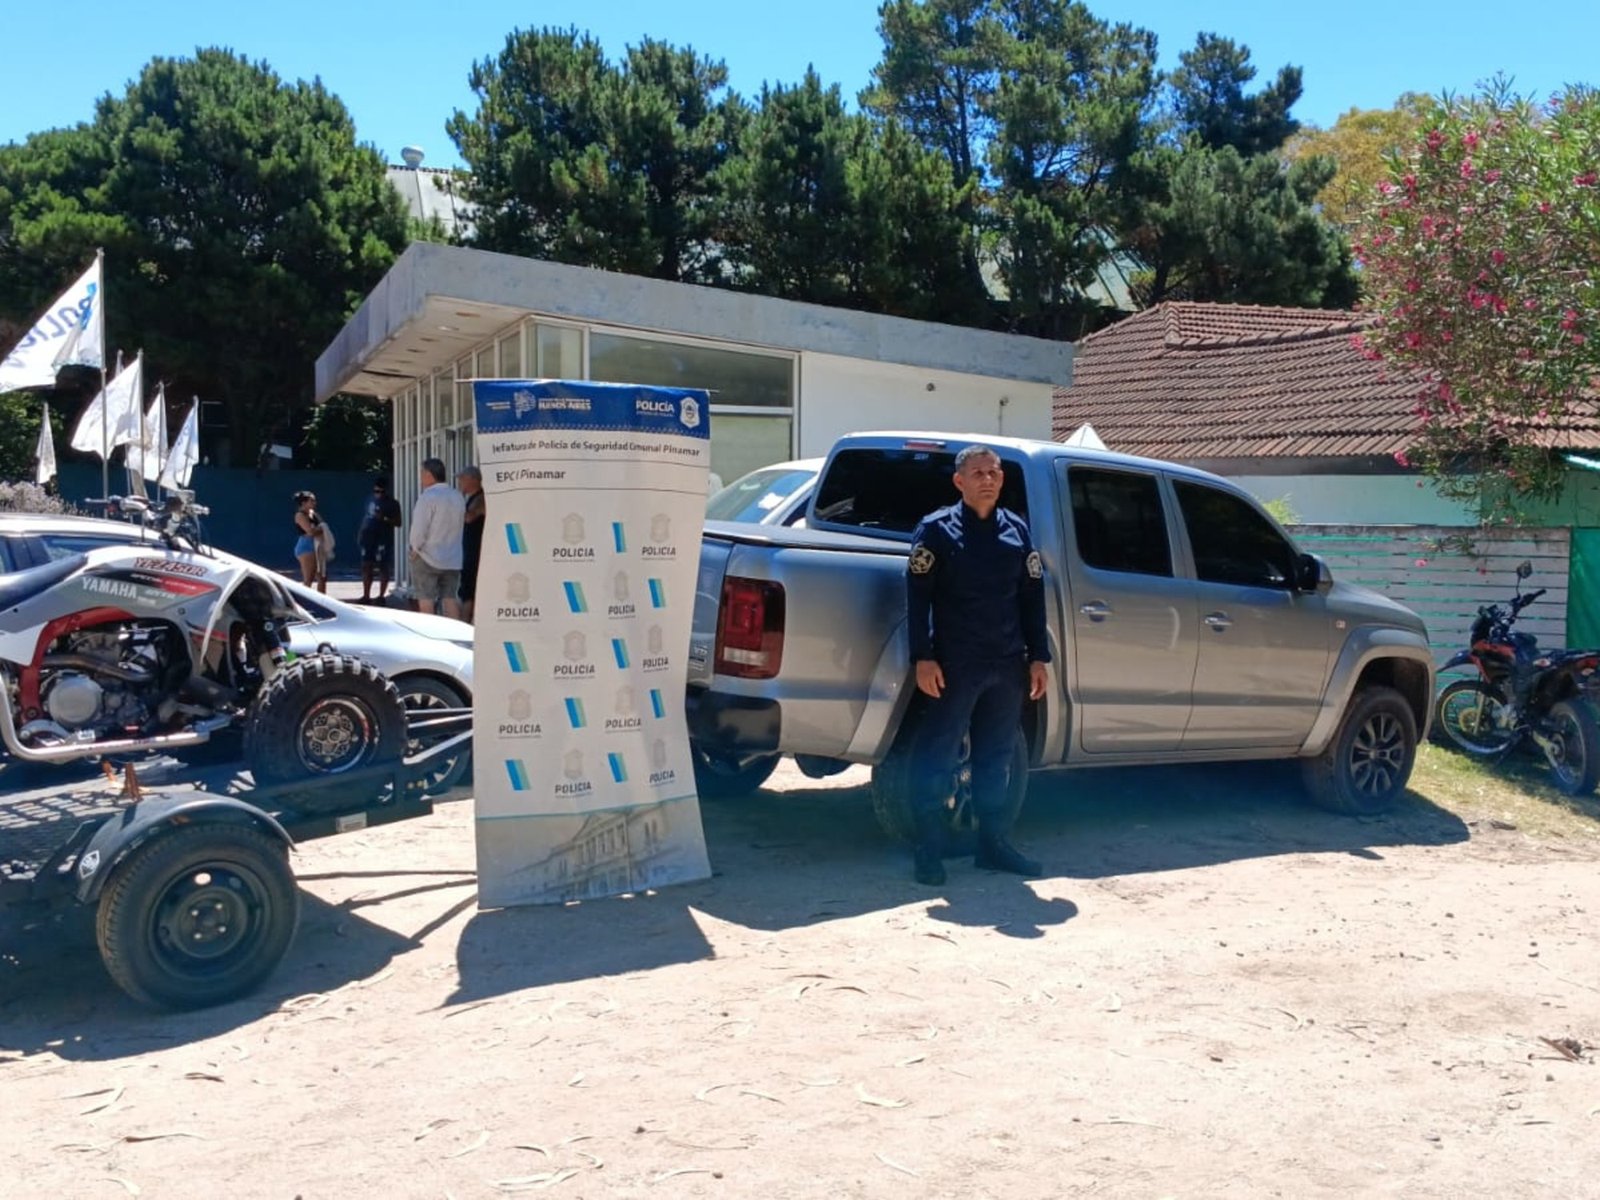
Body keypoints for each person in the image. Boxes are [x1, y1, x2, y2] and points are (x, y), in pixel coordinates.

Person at [904, 444, 1050, 887]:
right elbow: (917, 598)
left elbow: (1031, 595)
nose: (988, 479)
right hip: (956, 663)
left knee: (996, 757)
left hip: (1007, 664)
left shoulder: (1016, 529)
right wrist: (922, 657)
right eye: (979, 473)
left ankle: (993, 844)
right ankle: (928, 850)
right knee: (938, 753)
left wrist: (1039, 656)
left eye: (995, 472)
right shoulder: (936, 530)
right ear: (959, 481)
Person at [408, 457, 465, 617]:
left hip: (427, 556)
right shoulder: (457, 496)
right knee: (450, 598)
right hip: (453, 557)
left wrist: (415, 547)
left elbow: (419, 528)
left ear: (428, 474)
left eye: (421, 472)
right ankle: (456, 635)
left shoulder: (427, 497)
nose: (420, 476)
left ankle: (430, 635)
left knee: (426, 599)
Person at [358, 477, 403, 603]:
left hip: (383, 537)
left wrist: (384, 518)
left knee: (383, 566)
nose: (378, 494)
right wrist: (361, 533)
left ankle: (381, 596)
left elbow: (399, 522)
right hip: (368, 536)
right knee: (366, 565)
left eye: (381, 492)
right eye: (376, 491)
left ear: (386, 491)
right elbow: (366, 517)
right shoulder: (369, 500)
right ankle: (366, 595)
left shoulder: (393, 503)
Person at [457, 465, 485, 624]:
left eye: (462, 479)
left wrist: (458, 501)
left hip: (476, 551)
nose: (460, 483)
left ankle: (465, 622)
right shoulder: (471, 498)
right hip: (468, 549)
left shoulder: (481, 498)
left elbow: (469, 517)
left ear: (473, 480)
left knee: (469, 588)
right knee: (466, 587)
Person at [292, 490, 328, 591]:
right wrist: (319, 529)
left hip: (317, 545)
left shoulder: (313, 513)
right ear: (303, 503)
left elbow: (323, 525)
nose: (314, 503)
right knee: (309, 578)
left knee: (322, 577)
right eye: (311, 501)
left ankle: (322, 601)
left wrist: (319, 529)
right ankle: (304, 602)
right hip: (306, 547)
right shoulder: (300, 515)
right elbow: (311, 531)